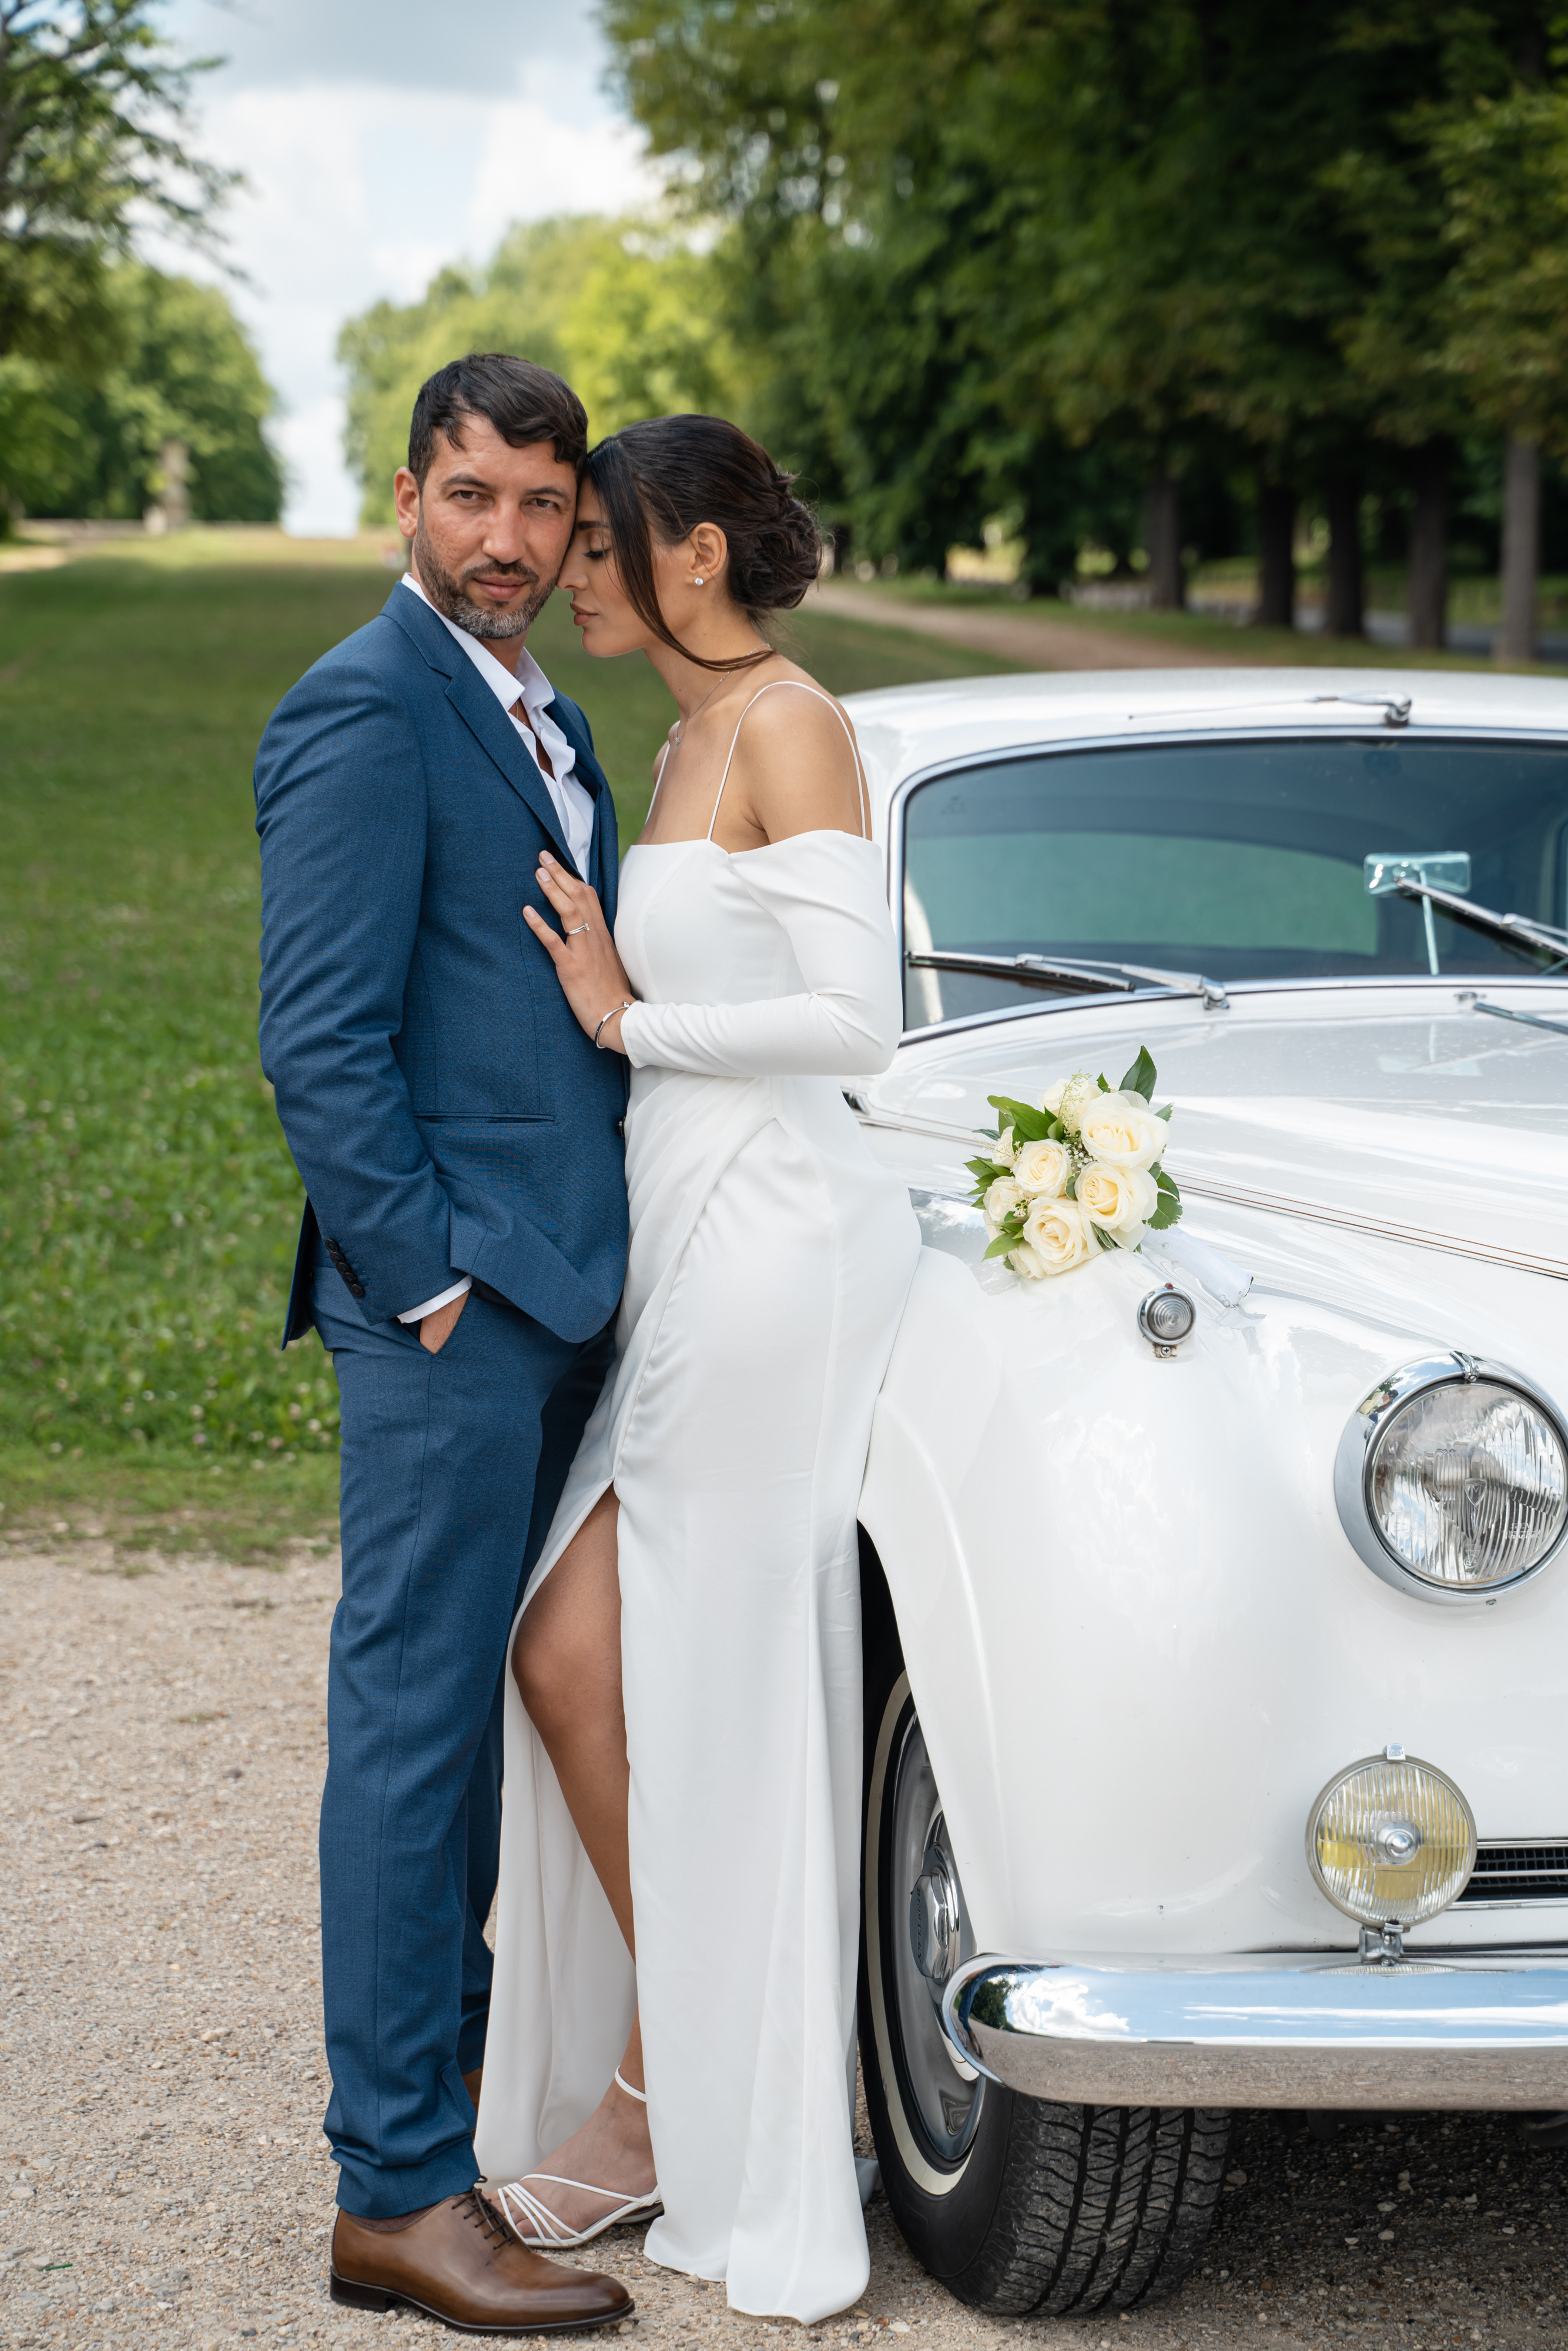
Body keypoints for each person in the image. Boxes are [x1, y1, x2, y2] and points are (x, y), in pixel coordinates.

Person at [473, 414, 923, 2324]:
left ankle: (687, 2101)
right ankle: (717, 2079)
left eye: (599, 540)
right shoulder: (668, 739)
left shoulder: (793, 724)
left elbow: (856, 1021)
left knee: (705, 1679)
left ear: (697, 554)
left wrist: (623, 1015)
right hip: (686, 1243)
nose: (572, 563)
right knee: (574, 1653)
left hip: (777, 1248)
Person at [254, 353, 634, 2334]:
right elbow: (316, 1036)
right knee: (410, 1736)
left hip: (562, 1298)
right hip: (454, 1315)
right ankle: (393, 2191)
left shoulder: (543, 708)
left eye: (541, 507)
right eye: (471, 498)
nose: (507, 540)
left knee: (478, 1735)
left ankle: (457, 2125)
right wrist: (424, 1285)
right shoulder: (368, 707)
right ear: (410, 495)